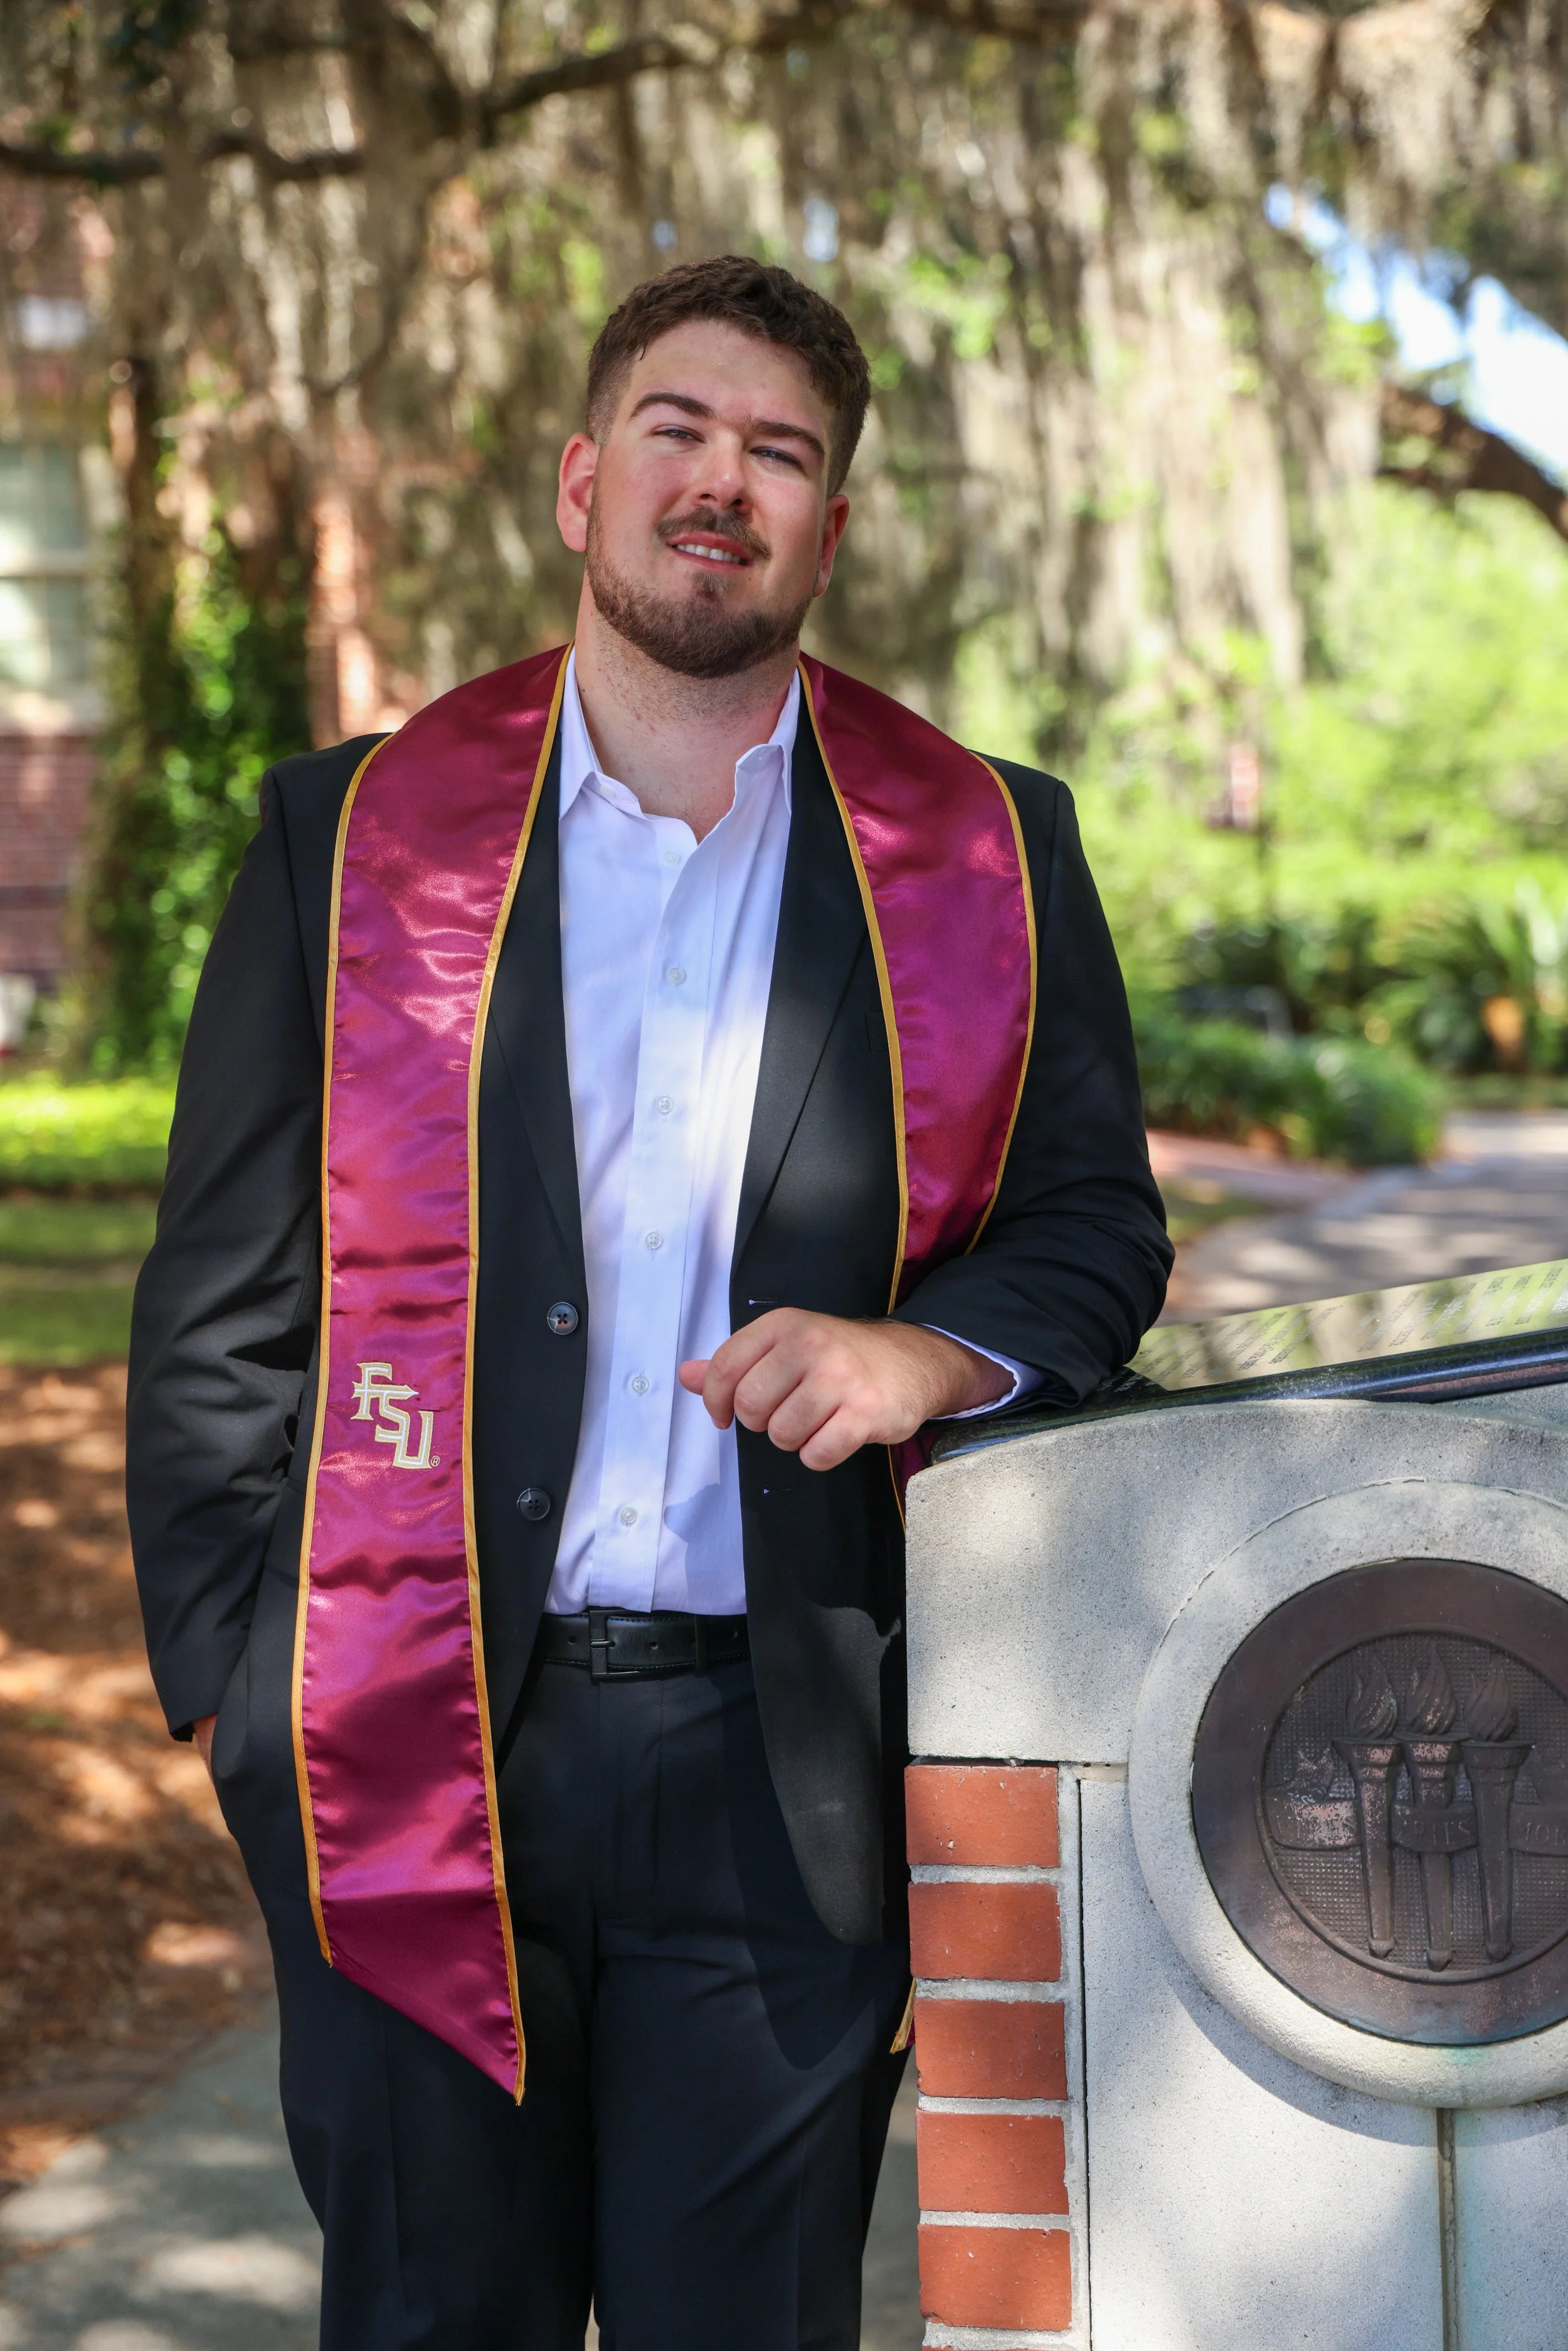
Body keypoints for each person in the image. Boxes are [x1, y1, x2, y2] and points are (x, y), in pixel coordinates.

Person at [127, 255, 1170, 2351]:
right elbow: (221, 1306)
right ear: (586, 480)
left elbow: (1092, 1229)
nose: (723, 483)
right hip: (412, 1734)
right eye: (679, 434)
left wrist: (927, 1350)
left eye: (778, 452)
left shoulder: (979, 852)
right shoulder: (351, 843)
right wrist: (243, 1703)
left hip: (782, 1756)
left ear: (829, 525)